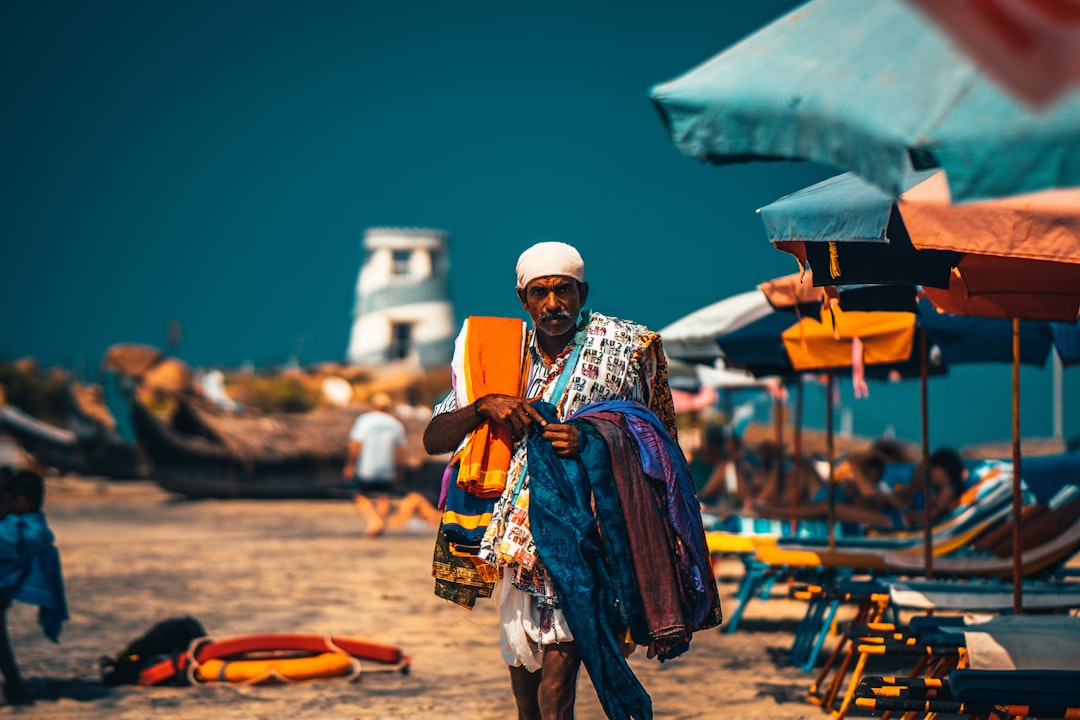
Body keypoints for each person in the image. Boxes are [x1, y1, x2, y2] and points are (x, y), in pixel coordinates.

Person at [423, 241, 721, 720]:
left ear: (582, 292)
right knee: (526, 682)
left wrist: (593, 439)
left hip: (590, 536)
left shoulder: (625, 350)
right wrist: (484, 406)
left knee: (558, 680)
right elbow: (434, 437)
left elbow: (660, 439)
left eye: (563, 291)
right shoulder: (501, 357)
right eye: (539, 293)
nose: (552, 304)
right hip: (517, 545)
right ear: (523, 300)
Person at [343, 393, 440, 537]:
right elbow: (401, 450)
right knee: (384, 495)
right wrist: (399, 469)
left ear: (373, 405)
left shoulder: (364, 420)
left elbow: (356, 444)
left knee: (359, 494)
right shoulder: (395, 424)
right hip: (387, 466)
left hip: (367, 465)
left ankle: (375, 520)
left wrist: (350, 464)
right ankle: (380, 524)